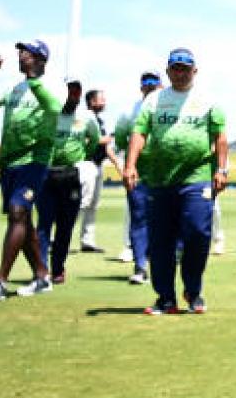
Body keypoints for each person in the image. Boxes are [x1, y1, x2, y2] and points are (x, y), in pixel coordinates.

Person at [122, 48, 228, 315]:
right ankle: (165, 298)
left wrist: (222, 170)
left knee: (197, 233)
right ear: (168, 71)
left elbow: (220, 138)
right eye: (175, 68)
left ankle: (193, 291)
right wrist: (130, 165)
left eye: (185, 68)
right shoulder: (154, 101)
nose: (180, 73)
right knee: (160, 241)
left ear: (194, 71)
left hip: (197, 177)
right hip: (159, 180)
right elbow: (139, 133)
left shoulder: (208, 100)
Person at [0, 40, 62, 301]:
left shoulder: (53, 84)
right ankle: (42, 276)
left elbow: (54, 108)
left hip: (36, 159)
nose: (21, 56)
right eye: (20, 52)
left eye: (28, 53)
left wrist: (34, 81)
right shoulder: (13, 87)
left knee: (17, 211)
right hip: (9, 162)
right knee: (22, 220)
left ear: (41, 59)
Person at [35, 80, 99, 284]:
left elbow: (95, 140)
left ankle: (57, 269)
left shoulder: (87, 117)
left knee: (65, 226)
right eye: (69, 93)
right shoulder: (46, 114)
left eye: (75, 94)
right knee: (44, 225)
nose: (72, 97)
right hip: (47, 173)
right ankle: (41, 270)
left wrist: (81, 158)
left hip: (72, 175)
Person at [113, 70, 162, 282]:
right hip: (140, 172)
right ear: (141, 86)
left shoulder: (170, 106)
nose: (149, 85)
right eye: (146, 82)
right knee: (139, 217)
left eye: (153, 81)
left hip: (165, 172)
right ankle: (140, 266)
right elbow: (121, 139)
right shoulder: (129, 111)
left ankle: (163, 261)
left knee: (166, 219)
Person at [77, 88, 121, 253]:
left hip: (97, 165)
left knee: (93, 204)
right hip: (85, 164)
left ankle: (87, 241)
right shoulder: (83, 118)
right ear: (91, 102)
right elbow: (84, 139)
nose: (104, 102)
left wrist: (118, 165)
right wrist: (107, 138)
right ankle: (62, 236)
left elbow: (107, 147)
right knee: (82, 202)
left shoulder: (99, 121)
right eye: (101, 99)